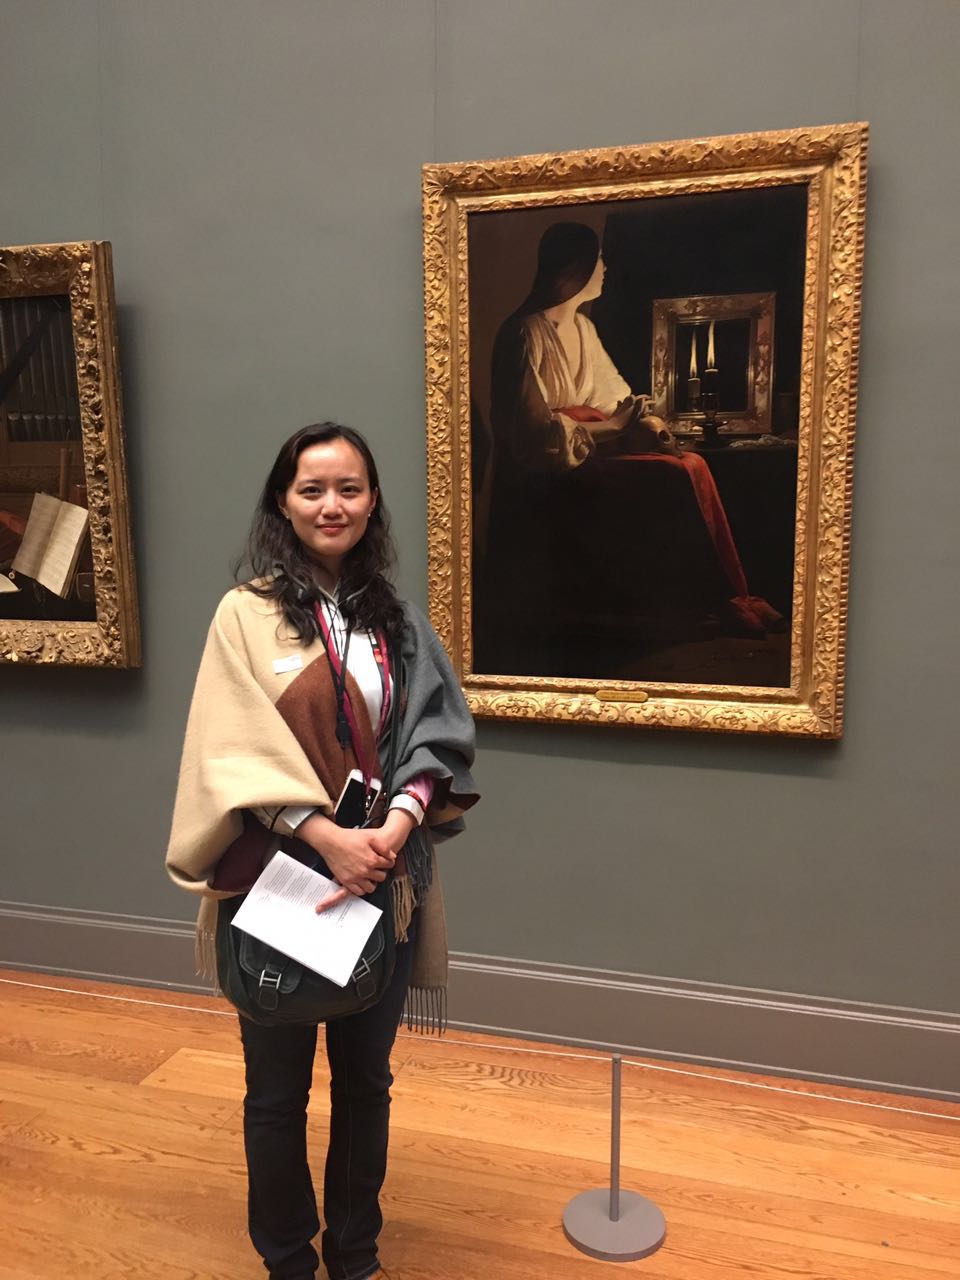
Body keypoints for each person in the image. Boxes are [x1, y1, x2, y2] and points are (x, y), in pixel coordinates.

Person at [165, 422, 479, 1280]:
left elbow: (438, 736)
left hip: (386, 880)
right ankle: (287, 1260)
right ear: (284, 501)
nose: (331, 505)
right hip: (282, 888)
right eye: (312, 490)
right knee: (276, 1093)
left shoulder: (396, 621)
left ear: (372, 501)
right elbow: (228, 749)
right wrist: (325, 836)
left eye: (349, 488)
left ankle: (355, 1253)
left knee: (366, 1083)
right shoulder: (245, 616)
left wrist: (395, 828)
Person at [489, 221, 781, 637]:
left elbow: (613, 398)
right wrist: (612, 426)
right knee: (670, 473)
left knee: (692, 463)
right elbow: (531, 435)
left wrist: (642, 422)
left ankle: (733, 594)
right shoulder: (523, 332)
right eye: (598, 259)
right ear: (574, 267)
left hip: (590, 446)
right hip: (550, 466)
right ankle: (703, 601)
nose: (605, 268)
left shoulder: (585, 328)